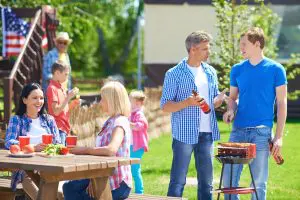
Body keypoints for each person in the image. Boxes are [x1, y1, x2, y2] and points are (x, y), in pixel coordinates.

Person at [222, 27, 287, 200]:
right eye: (240, 44)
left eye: (244, 44)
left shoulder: (276, 69)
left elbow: (282, 104)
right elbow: (233, 99)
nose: (241, 47)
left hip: (261, 132)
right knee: (228, 182)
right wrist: (230, 110)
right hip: (238, 131)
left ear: (257, 44)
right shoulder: (237, 69)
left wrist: (278, 137)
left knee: (258, 184)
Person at [160, 30, 227, 199]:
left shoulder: (210, 72)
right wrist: (186, 103)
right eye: (205, 48)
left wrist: (218, 100)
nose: (209, 52)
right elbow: (165, 106)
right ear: (193, 49)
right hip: (184, 134)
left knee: (207, 183)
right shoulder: (174, 73)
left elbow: (211, 100)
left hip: (207, 134)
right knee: (178, 181)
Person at [63, 81, 132, 200]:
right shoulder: (110, 121)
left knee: (70, 189)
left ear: (112, 101)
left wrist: (83, 150)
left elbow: (111, 150)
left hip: (117, 184)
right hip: (104, 177)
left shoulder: (120, 122)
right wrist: (93, 178)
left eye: (103, 99)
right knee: (69, 187)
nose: (100, 102)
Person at [5, 83, 61, 200]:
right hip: (25, 170)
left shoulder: (49, 120)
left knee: (60, 194)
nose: (39, 101)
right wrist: (32, 148)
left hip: (49, 166)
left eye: (41, 98)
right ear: (25, 100)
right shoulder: (17, 120)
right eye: (34, 98)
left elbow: (59, 144)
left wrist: (52, 147)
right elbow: (9, 142)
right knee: (41, 197)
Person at [46, 61, 79, 145]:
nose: (67, 77)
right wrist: (68, 97)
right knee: (60, 155)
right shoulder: (52, 88)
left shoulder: (61, 88)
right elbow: (56, 111)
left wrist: (72, 104)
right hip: (58, 128)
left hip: (64, 127)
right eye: (66, 74)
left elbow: (62, 108)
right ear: (57, 73)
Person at [129, 90, 149, 194]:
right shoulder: (131, 113)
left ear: (137, 103)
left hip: (136, 147)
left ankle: (139, 192)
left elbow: (142, 125)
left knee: (135, 170)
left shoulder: (139, 114)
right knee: (129, 169)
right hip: (131, 146)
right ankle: (129, 189)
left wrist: (130, 124)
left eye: (130, 101)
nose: (128, 103)